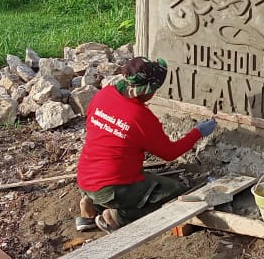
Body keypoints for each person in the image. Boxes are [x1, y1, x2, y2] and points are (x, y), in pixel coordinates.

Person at [75, 56, 216, 231]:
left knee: (125, 184)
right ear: (146, 90)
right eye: (155, 89)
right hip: (112, 185)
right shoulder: (140, 117)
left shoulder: (103, 95)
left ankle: (91, 204)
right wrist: (197, 132)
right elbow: (170, 153)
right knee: (175, 192)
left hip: (85, 176)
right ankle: (116, 217)